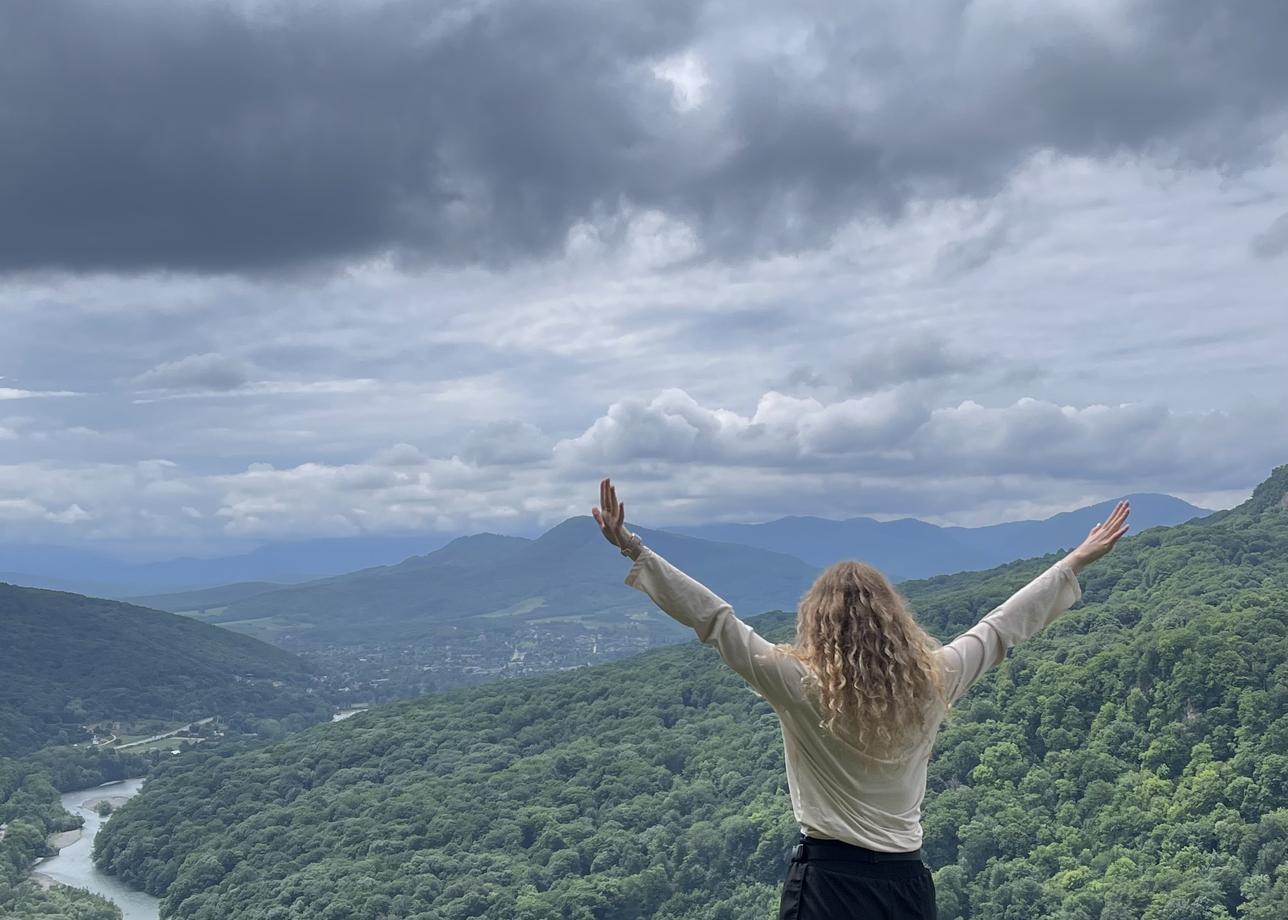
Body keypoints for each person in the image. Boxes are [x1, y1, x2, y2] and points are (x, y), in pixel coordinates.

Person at [592, 478, 1130, 920]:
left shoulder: (800, 686)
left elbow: (716, 621)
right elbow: (1000, 628)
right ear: (894, 620)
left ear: (817, 621)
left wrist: (636, 549)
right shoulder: (934, 679)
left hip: (829, 885)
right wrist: (1073, 563)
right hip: (907, 887)